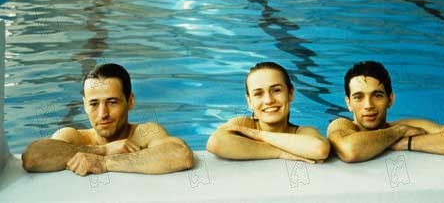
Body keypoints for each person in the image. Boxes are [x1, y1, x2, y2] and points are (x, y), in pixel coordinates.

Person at [22, 63, 193, 176]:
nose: (102, 113)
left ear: (130, 101)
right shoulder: (74, 137)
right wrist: (103, 150)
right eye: (94, 104)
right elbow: (33, 158)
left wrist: (105, 163)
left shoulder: (145, 133)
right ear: (84, 105)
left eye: (112, 102)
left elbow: (180, 155)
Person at [327, 61, 444, 163]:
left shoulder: (409, 125)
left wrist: (407, 143)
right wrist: (399, 132)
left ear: (391, 99)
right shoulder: (342, 125)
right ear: (348, 103)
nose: (368, 105)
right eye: (358, 97)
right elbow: (351, 150)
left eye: (377, 95)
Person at [207, 62, 330, 163]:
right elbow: (215, 143)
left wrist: (259, 135)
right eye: (258, 94)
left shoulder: (301, 132)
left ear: (290, 93)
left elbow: (320, 150)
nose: (269, 100)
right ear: (249, 101)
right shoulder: (243, 124)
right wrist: (279, 153)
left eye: (276, 90)